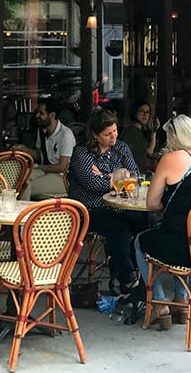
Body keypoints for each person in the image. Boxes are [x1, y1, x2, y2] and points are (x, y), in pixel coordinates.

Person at [134, 115, 191, 329]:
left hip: (182, 249)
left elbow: (152, 203)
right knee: (181, 232)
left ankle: (160, 303)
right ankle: (181, 301)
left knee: (139, 241)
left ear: (174, 137)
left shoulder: (170, 159)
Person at [68, 109, 147, 298]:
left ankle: (135, 272)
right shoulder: (82, 152)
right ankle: (127, 278)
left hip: (120, 204)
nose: (113, 136)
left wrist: (107, 177)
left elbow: (134, 176)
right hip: (90, 208)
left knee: (144, 219)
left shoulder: (121, 148)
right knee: (117, 226)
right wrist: (117, 176)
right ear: (95, 135)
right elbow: (91, 183)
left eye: (115, 131)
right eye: (107, 134)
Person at [16, 97, 75, 199]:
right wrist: (25, 149)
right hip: (45, 171)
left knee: (26, 185)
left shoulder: (66, 135)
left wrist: (37, 167)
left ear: (52, 115)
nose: (37, 116)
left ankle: (22, 214)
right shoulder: (42, 131)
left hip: (61, 177)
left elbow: (62, 166)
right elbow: (40, 155)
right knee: (18, 177)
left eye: (41, 113)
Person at [121, 99, 159, 172]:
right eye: (142, 111)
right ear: (135, 112)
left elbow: (149, 150)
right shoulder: (132, 131)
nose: (145, 114)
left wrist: (154, 131)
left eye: (148, 112)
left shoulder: (138, 130)